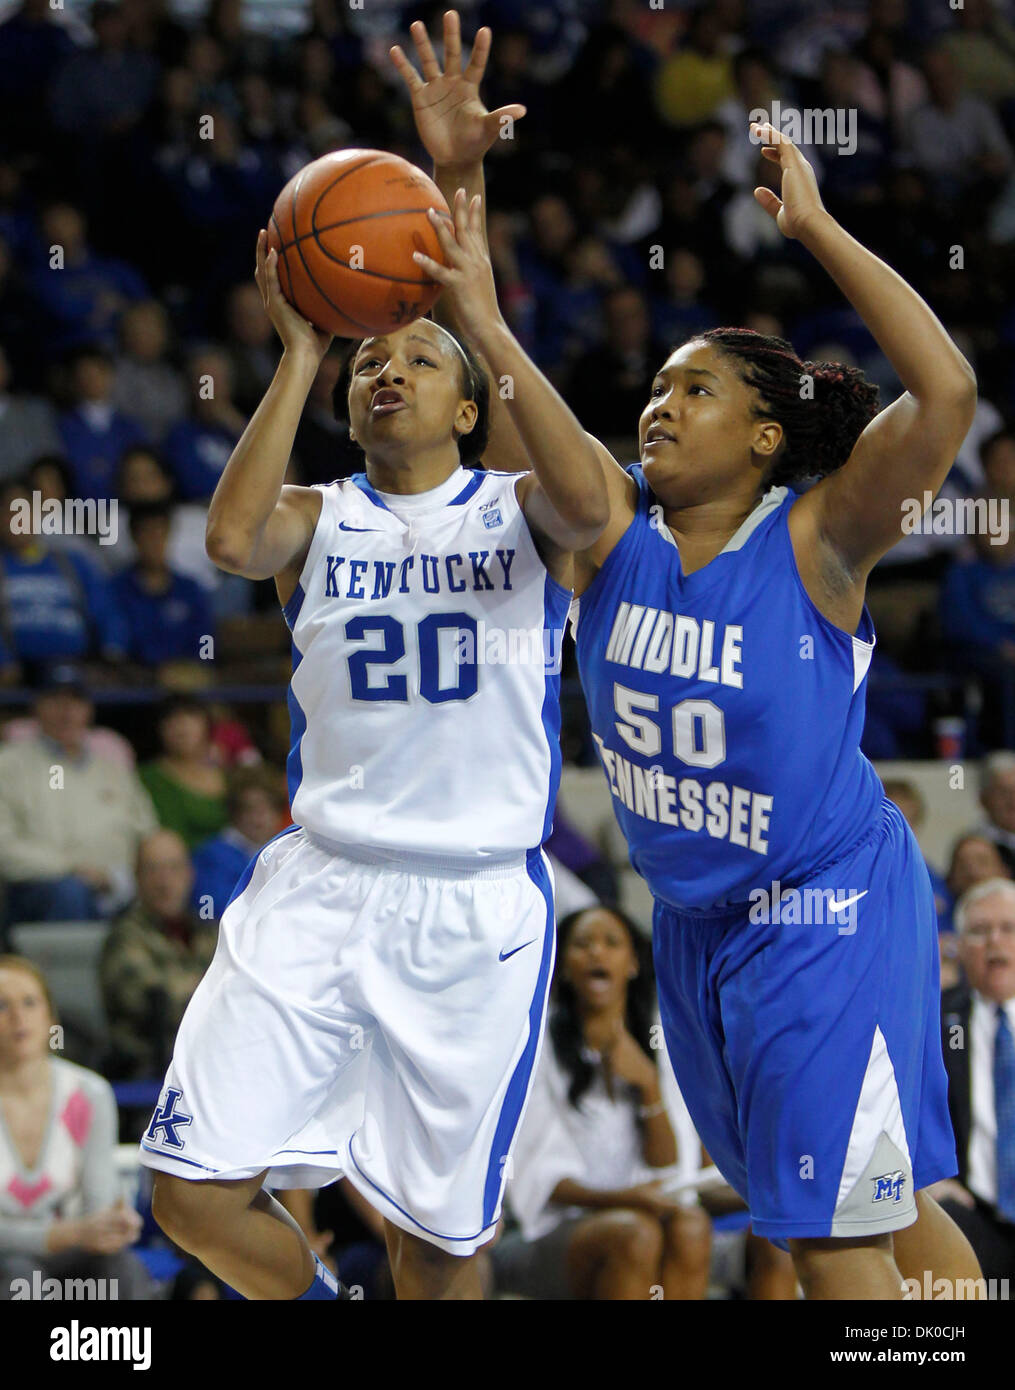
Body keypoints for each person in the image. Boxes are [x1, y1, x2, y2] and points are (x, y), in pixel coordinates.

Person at [435, 36, 981, 1297]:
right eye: (655, 388)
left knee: (834, 1229)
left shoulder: (817, 535)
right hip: (695, 928)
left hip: (826, 904)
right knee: (850, 1212)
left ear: (769, 433)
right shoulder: (603, 532)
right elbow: (502, 362)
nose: (660, 405)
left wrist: (820, 232)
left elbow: (944, 393)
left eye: (696, 390)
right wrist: (459, 180)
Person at [142, 17, 608, 1303]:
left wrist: (467, 245)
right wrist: (299, 350)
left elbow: (590, 507)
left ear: (468, 406)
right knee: (185, 1190)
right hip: (318, 886)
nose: (383, 367)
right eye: (369, 358)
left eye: (415, 356)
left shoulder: (519, 510)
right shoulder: (317, 516)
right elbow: (229, 539)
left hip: (470, 908)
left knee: (440, 1243)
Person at [494, 905, 712, 1300]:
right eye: (582, 944)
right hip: (547, 1232)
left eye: (611, 943)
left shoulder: (661, 1041)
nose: (597, 953)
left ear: (631, 963)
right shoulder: (533, 1045)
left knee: (691, 1225)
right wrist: (624, 1199)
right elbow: (539, 1179)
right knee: (634, 1232)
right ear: (562, 966)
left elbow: (669, 1168)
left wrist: (648, 1085)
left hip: (639, 1214)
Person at [0, 954, 151, 1300]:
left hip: (76, 1254)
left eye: (29, 1002)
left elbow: (100, 1205)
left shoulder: (89, 1092)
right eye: (1, 1005)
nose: (18, 1017)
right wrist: (67, 1234)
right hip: (8, 1262)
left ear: (51, 1017)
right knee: (21, 1278)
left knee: (123, 1271)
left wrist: (114, 1223)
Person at [0, 665, 157, 932]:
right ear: (37, 707)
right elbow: (5, 848)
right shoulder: (9, 764)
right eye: (55, 701)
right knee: (70, 893)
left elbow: (149, 833)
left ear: (89, 710)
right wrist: (73, 869)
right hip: (41, 890)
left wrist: (127, 878)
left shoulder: (112, 770)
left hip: (119, 890)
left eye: (75, 701)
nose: (66, 712)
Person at [933, 879, 1015, 1285]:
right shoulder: (935, 1021)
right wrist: (927, 1176)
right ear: (961, 946)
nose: (995, 942)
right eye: (980, 931)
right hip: (970, 1210)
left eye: (1008, 928)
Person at [101, 829, 217, 1081]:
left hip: (214, 1061)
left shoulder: (210, 932)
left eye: (174, 868)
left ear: (189, 874)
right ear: (137, 878)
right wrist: (219, 992)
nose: (165, 882)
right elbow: (159, 1003)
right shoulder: (124, 937)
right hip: (151, 1072)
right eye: (153, 869)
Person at [190, 765, 288, 922]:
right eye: (250, 809)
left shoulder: (287, 851)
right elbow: (207, 909)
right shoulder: (211, 855)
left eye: (266, 808)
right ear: (235, 812)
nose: (258, 817)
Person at [139, 696, 228, 850]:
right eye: (171, 719)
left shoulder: (229, 776)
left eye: (190, 716)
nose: (181, 725)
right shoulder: (147, 778)